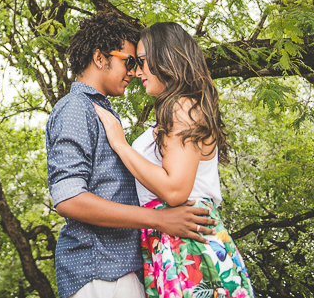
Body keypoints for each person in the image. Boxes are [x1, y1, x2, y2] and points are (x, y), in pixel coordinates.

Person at [47, 12, 218, 298]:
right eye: (129, 61)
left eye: (139, 63)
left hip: (127, 269)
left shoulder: (104, 112)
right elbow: (68, 198)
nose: (134, 71)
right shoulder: (76, 108)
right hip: (100, 269)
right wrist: (157, 220)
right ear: (100, 58)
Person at [93, 21, 255, 298]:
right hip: (169, 240)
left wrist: (120, 145)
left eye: (143, 62)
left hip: (189, 246)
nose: (137, 71)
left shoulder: (183, 107)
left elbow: (176, 190)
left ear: (165, 59)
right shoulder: (177, 108)